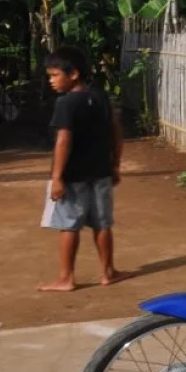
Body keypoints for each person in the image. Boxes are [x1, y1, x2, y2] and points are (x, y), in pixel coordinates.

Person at [39, 46, 129, 292]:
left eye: (55, 75)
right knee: (102, 223)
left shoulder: (66, 103)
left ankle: (66, 278)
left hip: (73, 175)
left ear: (74, 74)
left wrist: (57, 177)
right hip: (101, 171)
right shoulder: (99, 97)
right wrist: (115, 164)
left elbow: (63, 140)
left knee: (69, 225)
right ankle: (108, 272)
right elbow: (116, 132)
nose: (51, 81)